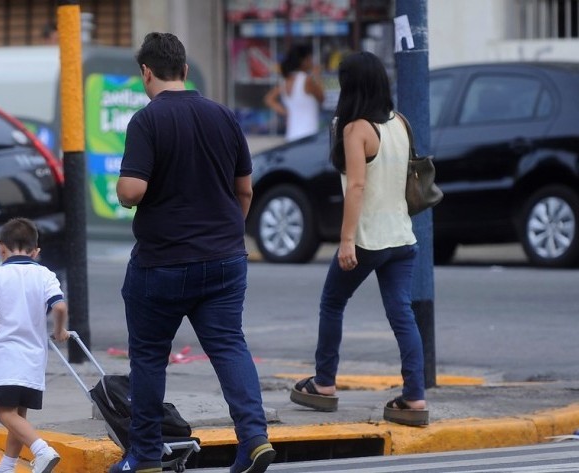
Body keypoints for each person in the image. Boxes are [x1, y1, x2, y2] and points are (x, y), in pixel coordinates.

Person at [110, 32, 275, 473]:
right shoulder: (223, 116)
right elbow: (245, 189)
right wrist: (225, 234)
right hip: (224, 259)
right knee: (228, 346)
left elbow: (132, 190)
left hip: (162, 263)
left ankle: (145, 455)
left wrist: (124, 191)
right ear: (184, 70)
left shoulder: (147, 122)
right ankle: (255, 438)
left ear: (146, 72)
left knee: (148, 357)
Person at [288, 51, 429, 427]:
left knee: (332, 303)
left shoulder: (356, 130)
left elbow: (356, 187)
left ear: (351, 86)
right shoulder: (399, 122)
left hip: (368, 239)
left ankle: (324, 384)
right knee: (402, 314)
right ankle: (415, 398)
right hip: (402, 237)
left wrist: (346, 240)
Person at [0, 217, 69, 473]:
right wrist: (59, 331)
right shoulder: (45, 274)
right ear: (36, 251)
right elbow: (59, 306)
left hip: (5, 355)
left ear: (0, 247)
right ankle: (7, 466)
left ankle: (42, 450)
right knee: (19, 415)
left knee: (4, 414)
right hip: (34, 358)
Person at [263, 44, 324, 143]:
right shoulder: (307, 80)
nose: (312, 62)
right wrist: (317, 76)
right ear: (303, 61)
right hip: (308, 135)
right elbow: (321, 98)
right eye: (310, 58)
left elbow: (268, 99)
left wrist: (286, 112)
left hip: (291, 135)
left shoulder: (285, 81)